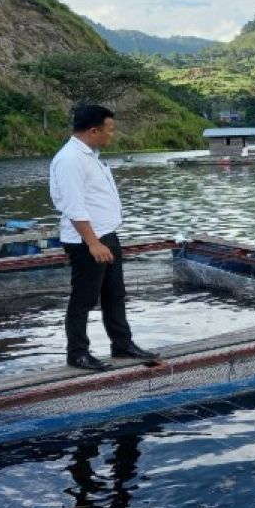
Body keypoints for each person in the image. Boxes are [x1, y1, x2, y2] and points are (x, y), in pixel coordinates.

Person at [49, 105, 157, 370]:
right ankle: (77, 353)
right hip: (86, 240)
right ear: (93, 130)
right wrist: (93, 243)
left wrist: (103, 239)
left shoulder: (89, 155)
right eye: (109, 130)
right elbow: (73, 207)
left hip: (106, 234)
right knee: (84, 298)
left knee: (115, 293)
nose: (112, 135)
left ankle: (122, 344)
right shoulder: (70, 159)